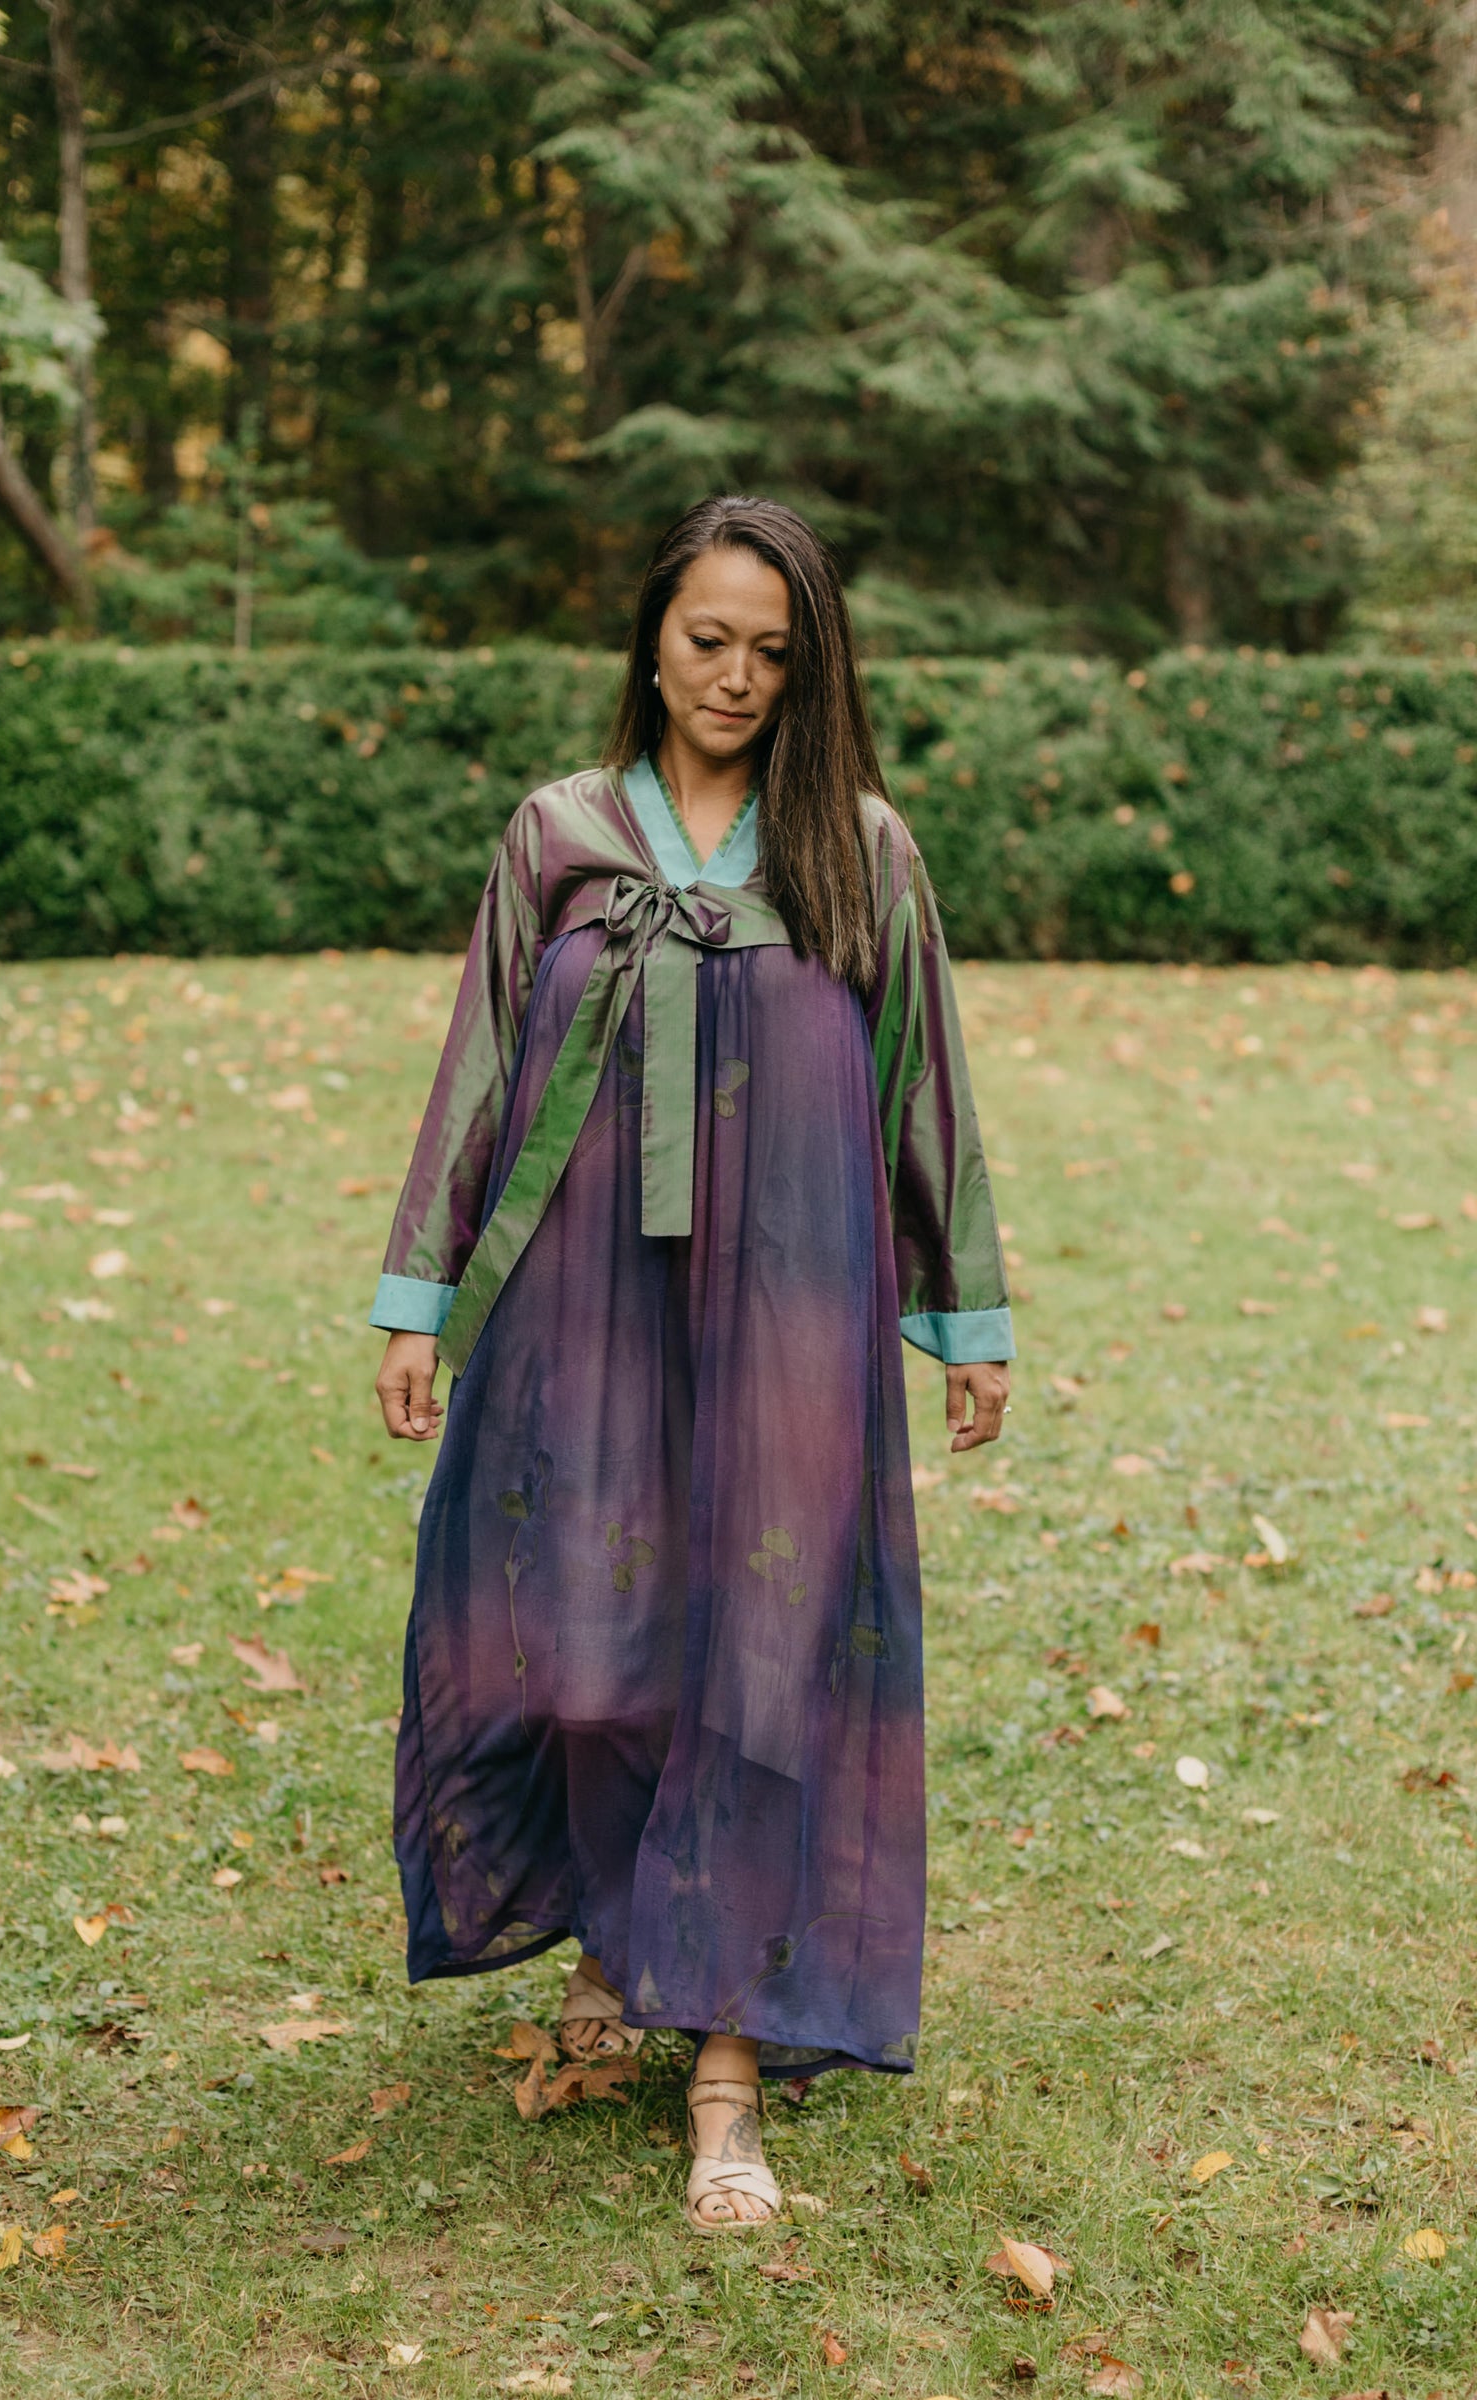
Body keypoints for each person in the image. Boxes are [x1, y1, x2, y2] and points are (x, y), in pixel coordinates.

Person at [371, 494, 1013, 2232]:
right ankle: (620, 1933)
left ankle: (725, 2070)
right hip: (580, 1294)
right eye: (707, 638)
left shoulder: (857, 845)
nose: (733, 678)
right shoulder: (560, 833)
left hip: (795, 1308)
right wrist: (417, 1293)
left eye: (772, 652)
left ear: (813, 672)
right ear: (652, 634)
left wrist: (966, 1314)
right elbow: (482, 1061)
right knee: (584, 1643)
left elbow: (925, 1079)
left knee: (758, 1648)